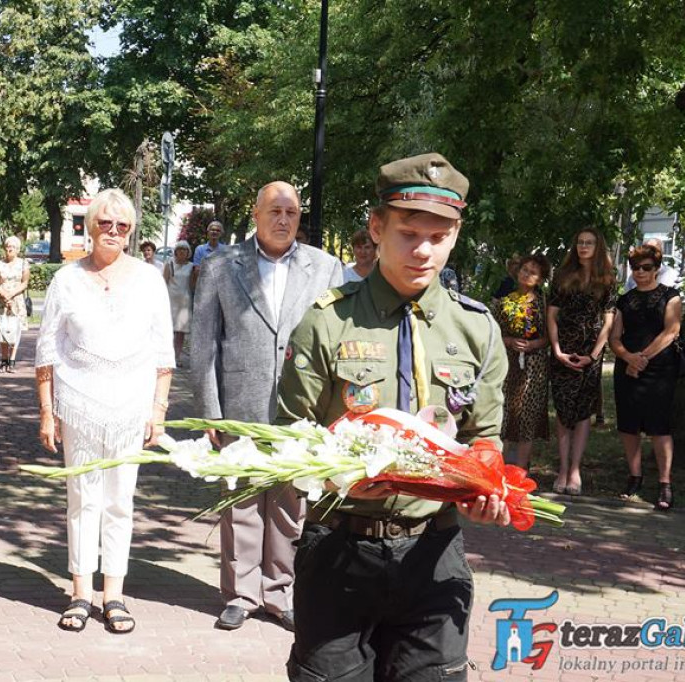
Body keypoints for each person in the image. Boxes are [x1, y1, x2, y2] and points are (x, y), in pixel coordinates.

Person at [275, 152, 510, 682]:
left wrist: (485, 488)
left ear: (455, 234)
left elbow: (484, 437)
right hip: (339, 550)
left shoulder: (477, 330)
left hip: (434, 552)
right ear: (377, 228)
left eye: (439, 234)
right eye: (408, 232)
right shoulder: (326, 323)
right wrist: (339, 478)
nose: (424, 250)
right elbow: (288, 443)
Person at [190, 181, 344, 632]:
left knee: (289, 505)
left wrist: (336, 413)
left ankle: (279, 592)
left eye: (291, 212)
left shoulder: (326, 268)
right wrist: (210, 411)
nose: (283, 219)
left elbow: (338, 341)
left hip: (302, 407)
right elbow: (203, 344)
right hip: (238, 403)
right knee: (240, 500)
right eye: (274, 211)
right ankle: (240, 593)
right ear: (255, 215)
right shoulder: (220, 266)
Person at [34, 188, 174, 635]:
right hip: (78, 406)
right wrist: (46, 412)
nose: (113, 232)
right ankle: (80, 592)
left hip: (132, 407)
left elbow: (162, 349)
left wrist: (159, 409)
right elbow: (46, 350)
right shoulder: (67, 279)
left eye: (123, 225)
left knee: (120, 502)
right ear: (90, 226)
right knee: (82, 500)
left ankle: (113, 594)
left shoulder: (151, 279)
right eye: (105, 223)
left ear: (131, 232)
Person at [609, 244, 683, 511]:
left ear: (656, 269)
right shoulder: (624, 300)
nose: (640, 272)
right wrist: (629, 358)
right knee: (628, 425)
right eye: (635, 267)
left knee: (659, 426)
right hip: (627, 367)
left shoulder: (670, 296)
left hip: (660, 369)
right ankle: (635, 476)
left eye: (646, 267)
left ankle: (665, 484)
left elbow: (671, 331)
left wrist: (642, 359)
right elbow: (614, 337)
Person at [547, 227, 616, 495]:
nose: (583, 246)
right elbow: (552, 315)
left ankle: (575, 470)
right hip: (563, 350)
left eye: (589, 242)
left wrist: (594, 355)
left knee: (583, 410)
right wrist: (556, 350)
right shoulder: (563, 275)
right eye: (579, 242)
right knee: (564, 410)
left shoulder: (608, 278)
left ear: (598, 247)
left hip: (591, 352)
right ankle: (562, 469)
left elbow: (609, 318)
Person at [491, 254, 551, 470]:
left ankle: (521, 469)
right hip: (508, 363)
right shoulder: (504, 301)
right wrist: (508, 341)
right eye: (524, 270)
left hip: (534, 367)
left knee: (528, 414)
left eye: (533, 272)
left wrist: (534, 345)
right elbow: (492, 333)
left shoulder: (544, 303)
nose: (527, 274)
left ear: (540, 278)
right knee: (506, 412)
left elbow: (550, 337)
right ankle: (503, 466)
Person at [0, 235, 30, 373]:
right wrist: (4, 295)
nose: (10, 249)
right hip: (2, 301)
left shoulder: (23, 264)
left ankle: (12, 360)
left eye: (13, 247)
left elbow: (25, 283)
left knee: (15, 329)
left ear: (18, 249)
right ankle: (3, 360)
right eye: (8, 246)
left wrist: (11, 294)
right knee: (2, 329)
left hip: (16, 301)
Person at [163, 240, 195, 366]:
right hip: (170, 301)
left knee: (180, 332)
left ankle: (177, 357)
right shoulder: (169, 264)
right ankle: (166, 356)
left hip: (184, 302)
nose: (182, 251)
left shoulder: (192, 266)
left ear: (188, 252)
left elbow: (193, 286)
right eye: (179, 249)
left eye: (184, 249)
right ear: (175, 251)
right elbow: (164, 282)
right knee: (167, 330)